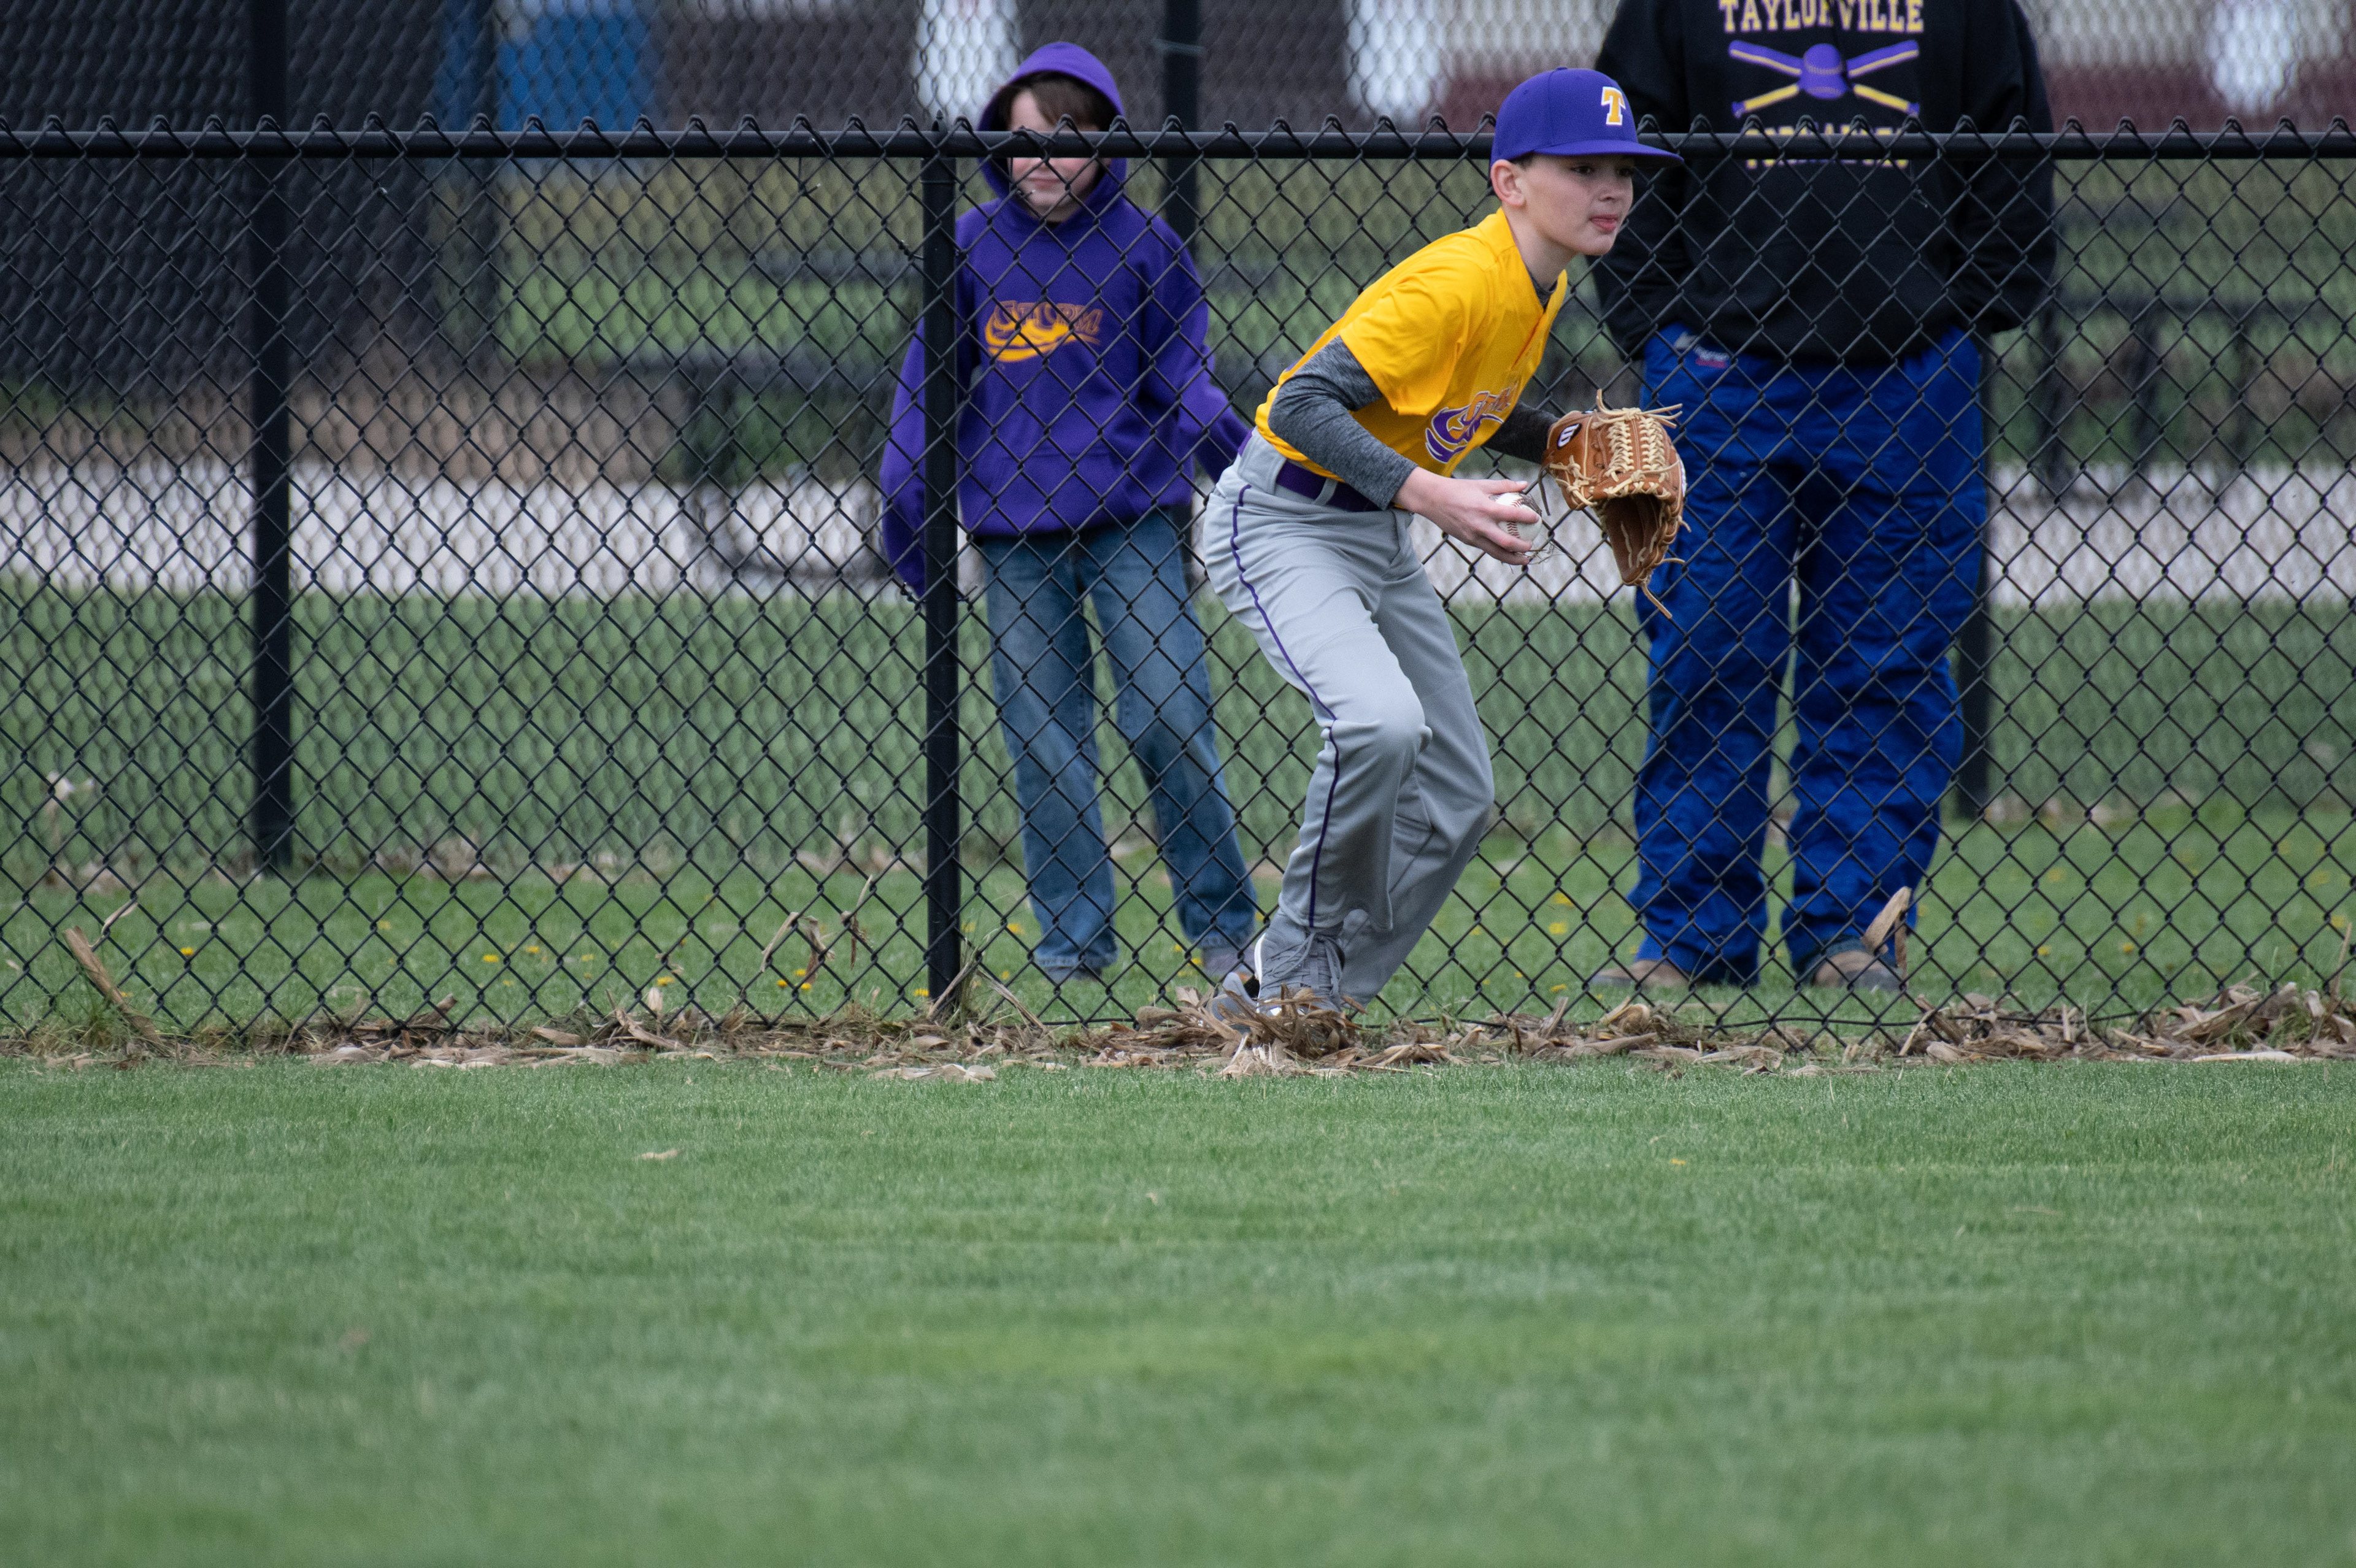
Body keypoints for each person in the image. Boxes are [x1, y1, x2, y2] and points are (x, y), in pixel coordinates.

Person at [1590, 0, 2055, 993]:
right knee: (1705, 654)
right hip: (1716, 378)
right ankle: (1689, 940)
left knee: (1886, 670)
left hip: (1910, 376)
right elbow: (1624, 145)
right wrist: (1657, 327)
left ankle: (1853, 933)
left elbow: (2011, 146)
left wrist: (1959, 314)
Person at [1205, 68, 1678, 1015]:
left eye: (1623, 170)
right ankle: (1285, 975)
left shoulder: (1540, 281)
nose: (1612, 190)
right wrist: (1432, 496)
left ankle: (1310, 1003)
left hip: (1372, 529)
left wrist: (1562, 443)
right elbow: (1299, 404)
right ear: (1510, 182)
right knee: (1378, 726)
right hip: (1285, 521)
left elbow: (1463, 407)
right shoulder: (1458, 281)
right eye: (1583, 168)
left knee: (1458, 796)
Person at [877, 42, 1259, 987]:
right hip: (1014, 534)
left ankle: (1222, 928)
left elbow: (1183, 376)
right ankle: (1074, 946)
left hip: (1133, 520)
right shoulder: (971, 244)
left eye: (1067, 136)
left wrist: (1247, 468)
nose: (1043, 157)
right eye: (1024, 139)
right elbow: (930, 383)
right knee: (1045, 740)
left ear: (1105, 142)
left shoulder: (1147, 245)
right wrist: (907, 501)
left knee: (1168, 712)